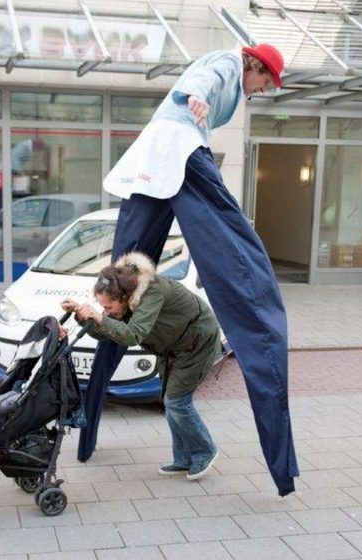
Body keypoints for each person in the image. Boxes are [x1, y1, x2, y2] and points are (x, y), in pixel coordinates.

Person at [79, 44, 299, 497]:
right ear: (255, 66)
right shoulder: (226, 63)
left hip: (155, 165)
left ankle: (179, 452)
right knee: (242, 255)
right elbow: (205, 77)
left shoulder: (148, 290)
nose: (259, 91)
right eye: (264, 82)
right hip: (180, 153)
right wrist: (196, 98)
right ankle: (192, 455)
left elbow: (128, 320)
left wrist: (99, 317)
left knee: (171, 393)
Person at [62, 251, 221, 480]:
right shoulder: (124, 299)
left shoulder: (153, 291)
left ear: (124, 297)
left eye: (108, 308)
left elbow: (132, 335)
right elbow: (106, 333)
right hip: (173, 347)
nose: (106, 312)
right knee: (170, 400)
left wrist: (100, 317)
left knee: (176, 401)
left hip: (197, 342)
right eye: (102, 307)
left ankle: (205, 451)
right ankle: (183, 459)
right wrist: (81, 315)